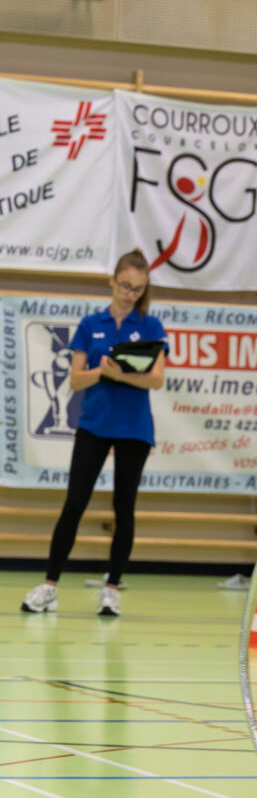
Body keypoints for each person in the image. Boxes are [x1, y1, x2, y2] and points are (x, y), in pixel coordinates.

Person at [21, 250, 167, 618]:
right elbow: (75, 379)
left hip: (134, 428)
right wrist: (103, 372)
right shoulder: (90, 324)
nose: (129, 294)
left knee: (124, 508)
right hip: (94, 425)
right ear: (112, 281)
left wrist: (122, 375)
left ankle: (111, 589)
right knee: (75, 503)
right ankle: (49, 586)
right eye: (124, 285)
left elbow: (157, 379)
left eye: (137, 289)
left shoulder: (150, 326)